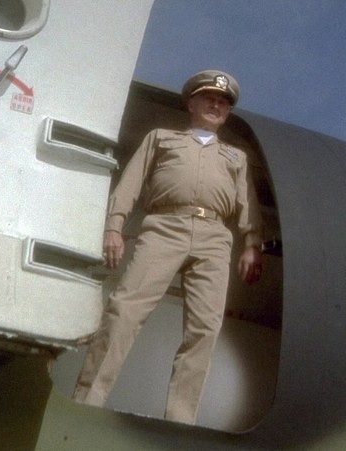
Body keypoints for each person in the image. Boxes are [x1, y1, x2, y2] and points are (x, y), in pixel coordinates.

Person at [72, 70, 263, 425]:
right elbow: (130, 183)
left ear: (227, 112)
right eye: (209, 98)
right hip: (164, 226)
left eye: (223, 103)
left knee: (205, 329)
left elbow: (247, 203)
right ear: (191, 103)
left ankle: (180, 421)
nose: (216, 105)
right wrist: (114, 226)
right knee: (125, 310)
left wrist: (252, 243)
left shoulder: (236, 157)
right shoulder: (161, 139)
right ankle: (86, 401)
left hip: (215, 237)